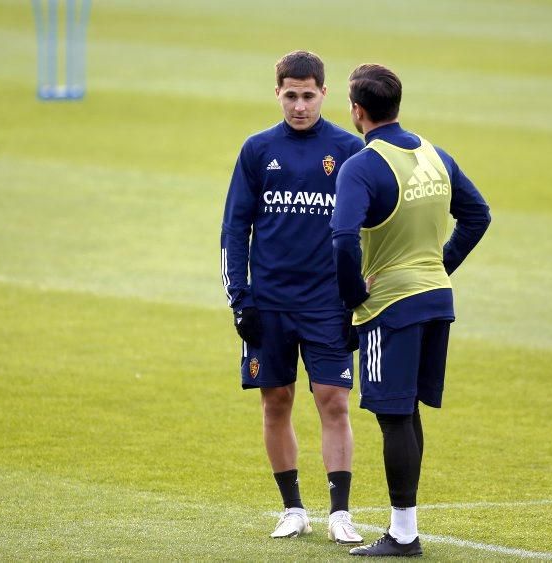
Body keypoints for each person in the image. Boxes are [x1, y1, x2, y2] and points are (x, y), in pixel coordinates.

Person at [331, 64, 491, 557]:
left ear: (357, 111)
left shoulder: (361, 165)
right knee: (407, 411)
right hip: (437, 300)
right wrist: (436, 265)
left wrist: (354, 297)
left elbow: (342, 240)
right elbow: (478, 214)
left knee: (391, 414)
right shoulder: (435, 155)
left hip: (391, 307)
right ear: (396, 104)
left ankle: (403, 534)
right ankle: (405, 528)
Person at [220, 50, 365, 545]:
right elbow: (234, 230)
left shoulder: (348, 150)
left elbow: (368, 234)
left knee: (334, 402)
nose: (299, 106)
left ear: (324, 94)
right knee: (275, 402)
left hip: (328, 303)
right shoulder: (257, 150)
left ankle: (340, 513)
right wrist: (240, 299)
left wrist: (358, 301)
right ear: (277, 93)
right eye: (290, 96)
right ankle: (292, 509)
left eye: (308, 96)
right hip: (271, 304)